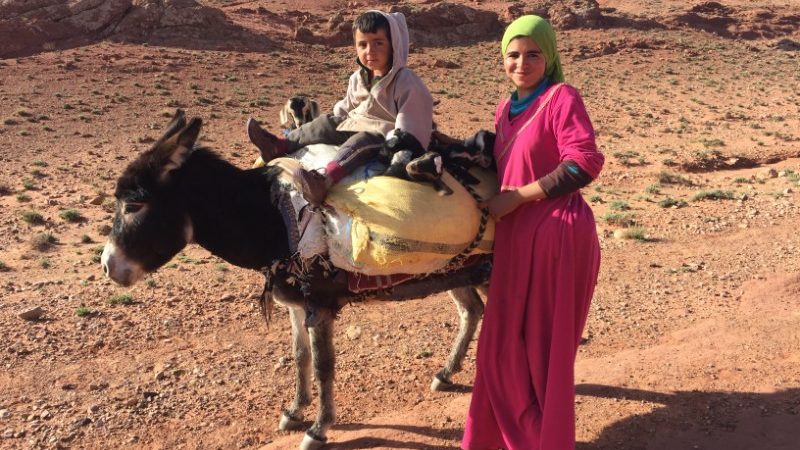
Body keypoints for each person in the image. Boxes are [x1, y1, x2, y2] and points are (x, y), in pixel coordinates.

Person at [461, 16, 604, 450]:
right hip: (516, 240)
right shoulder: (506, 109)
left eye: (533, 55)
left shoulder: (562, 98)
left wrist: (517, 197)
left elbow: (584, 163)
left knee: (542, 357)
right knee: (500, 348)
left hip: (557, 237)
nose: (522, 63)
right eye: (513, 55)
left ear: (551, 57)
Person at [247, 10, 433, 205]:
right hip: (356, 122)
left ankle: (325, 180)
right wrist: (334, 124)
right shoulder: (358, 78)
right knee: (326, 123)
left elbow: (411, 117)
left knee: (360, 142)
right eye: (363, 44)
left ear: (394, 45)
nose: (370, 51)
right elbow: (346, 107)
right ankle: (278, 145)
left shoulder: (406, 81)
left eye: (378, 43)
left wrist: (400, 143)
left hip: (384, 134)